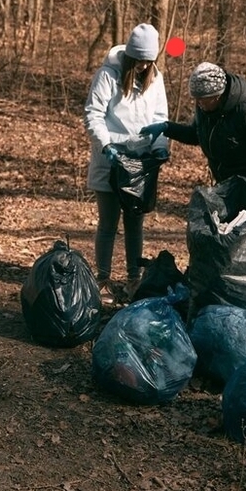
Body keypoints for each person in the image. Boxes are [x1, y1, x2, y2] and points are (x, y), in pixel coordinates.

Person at [84, 23, 170, 301]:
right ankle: (103, 279)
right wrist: (106, 144)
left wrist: (159, 147)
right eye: (141, 60)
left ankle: (134, 279)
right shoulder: (107, 75)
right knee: (108, 223)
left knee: (135, 224)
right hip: (110, 160)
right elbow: (93, 114)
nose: (145, 66)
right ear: (131, 56)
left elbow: (159, 118)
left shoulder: (155, 79)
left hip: (139, 164)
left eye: (150, 60)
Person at [141, 60, 246, 198]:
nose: (198, 103)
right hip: (230, 185)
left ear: (217, 96)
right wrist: (167, 127)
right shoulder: (206, 109)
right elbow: (195, 135)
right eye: (196, 98)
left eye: (202, 99)